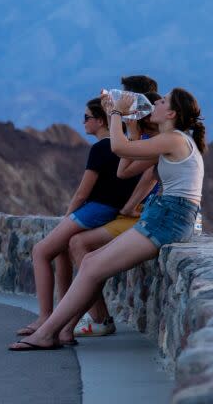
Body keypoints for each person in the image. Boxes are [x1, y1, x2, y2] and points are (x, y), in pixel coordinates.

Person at [10, 88, 206, 351]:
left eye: (161, 101)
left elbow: (117, 146)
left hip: (169, 217)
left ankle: (48, 332)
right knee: (90, 262)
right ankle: (56, 330)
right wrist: (131, 126)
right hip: (163, 214)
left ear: (171, 113)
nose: (155, 102)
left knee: (91, 266)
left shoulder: (174, 140)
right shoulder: (168, 141)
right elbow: (124, 169)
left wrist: (115, 112)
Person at [15, 98, 141, 343]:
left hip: (95, 209)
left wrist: (67, 218)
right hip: (111, 212)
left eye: (87, 117)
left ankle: (45, 317)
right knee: (61, 251)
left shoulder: (101, 148)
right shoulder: (126, 146)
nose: (83, 122)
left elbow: (83, 193)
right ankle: (63, 322)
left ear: (101, 120)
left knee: (41, 251)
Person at [66, 91, 162, 339]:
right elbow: (123, 169)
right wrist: (131, 129)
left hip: (147, 218)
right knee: (80, 246)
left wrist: (118, 116)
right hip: (139, 215)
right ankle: (88, 318)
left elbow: (149, 176)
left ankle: (92, 320)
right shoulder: (145, 138)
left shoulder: (159, 141)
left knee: (80, 245)